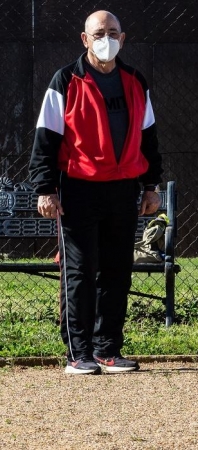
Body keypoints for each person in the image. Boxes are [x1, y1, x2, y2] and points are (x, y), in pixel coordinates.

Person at [29, 10, 163, 375]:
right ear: (85, 39)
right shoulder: (65, 81)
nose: (107, 38)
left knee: (117, 270)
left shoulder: (135, 81)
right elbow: (46, 139)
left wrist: (151, 186)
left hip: (123, 190)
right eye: (99, 33)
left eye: (113, 32)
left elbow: (148, 139)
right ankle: (79, 353)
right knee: (80, 270)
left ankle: (108, 349)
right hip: (78, 189)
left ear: (123, 38)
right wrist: (45, 189)